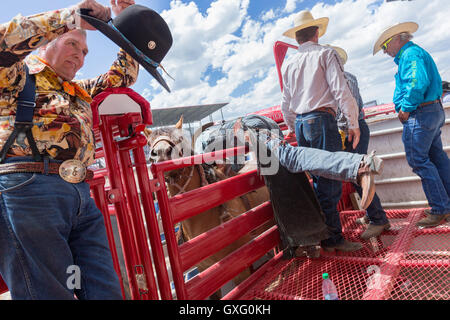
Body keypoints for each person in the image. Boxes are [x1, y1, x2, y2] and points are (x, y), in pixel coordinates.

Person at [0, 0, 172, 299]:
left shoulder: (78, 90)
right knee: (49, 293)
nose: (79, 58)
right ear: (46, 43)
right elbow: (4, 41)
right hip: (29, 192)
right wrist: (72, 18)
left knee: (105, 289)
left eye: (84, 53)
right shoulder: (15, 77)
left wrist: (122, 23)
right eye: (72, 45)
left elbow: (121, 77)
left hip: (79, 195)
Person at [204, 114, 382, 256]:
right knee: (287, 172)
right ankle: (307, 240)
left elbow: (230, 170)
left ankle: (357, 166)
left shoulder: (205, 144)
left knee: (288, 159)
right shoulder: (214, 135)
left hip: (250, 127)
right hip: (258, 124)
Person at [280, 11, 362, 252]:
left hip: (302, 124)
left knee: (317, 179)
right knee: (330, 179)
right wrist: (353, 123)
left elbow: (286, 103)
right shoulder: (326, 53)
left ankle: (323, 233)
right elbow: (341, 90)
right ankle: (332, 239)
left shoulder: (289, 63)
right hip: (322, 121)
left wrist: (293, 127)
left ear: (297, 38)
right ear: (316, 33)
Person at [373, 22, 450, 227]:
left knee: (419, 161)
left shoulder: (409, 55)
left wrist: (405, 108)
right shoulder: (414, 53)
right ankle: (446, 205)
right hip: (431, 111)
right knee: (437, 157)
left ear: (397, 38)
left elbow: (416, 84)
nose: (385, 51)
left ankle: (440, 208)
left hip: (420, 114)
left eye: (385, 46)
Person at [330, 45, 390, 240]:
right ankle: (373, 214)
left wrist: (344, 128)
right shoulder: (343, 78)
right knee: (357, 174)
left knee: (357, 173)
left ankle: (378, 218)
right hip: (351, 129)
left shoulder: (344, 78)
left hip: (352, 130)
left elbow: (351, 107)